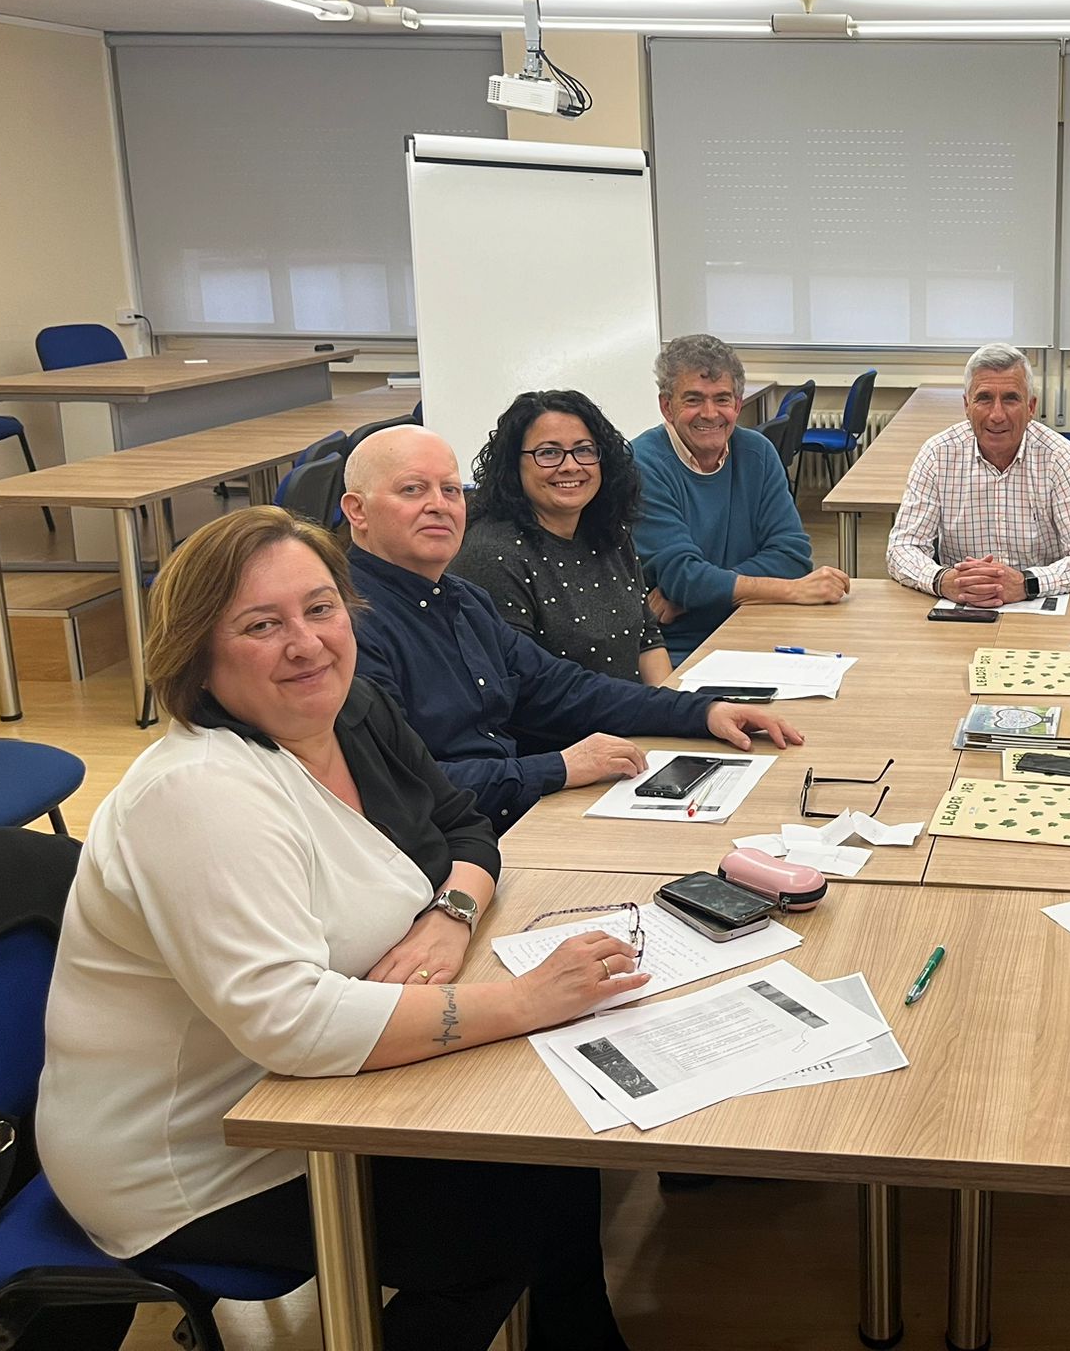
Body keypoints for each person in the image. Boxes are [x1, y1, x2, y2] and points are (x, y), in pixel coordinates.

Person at [37, 507, 642, 1350]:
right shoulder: (199, 793)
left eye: (321, 609)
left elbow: (464, 825)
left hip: (322, 1091)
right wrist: (529, 1002)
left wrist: (449, 914)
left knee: (554, 1163)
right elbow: (292, 1024)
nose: (308, 644)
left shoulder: (346, 712)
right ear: (197, 655)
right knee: (508, 1223)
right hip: (199, 1155)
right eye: (261, 624)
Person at [341, 425, 800, 834]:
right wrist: (558, 767)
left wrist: (703, 713)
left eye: (450, 490)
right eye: (412, 490)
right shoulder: (349, 626)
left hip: (513, 814)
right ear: (357, 511)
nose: (438, 506)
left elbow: (565, 689)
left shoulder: (462, 600)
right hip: (458, 844)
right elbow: (403, 784)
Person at [632, 334, 848, 662]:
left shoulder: (757, 452)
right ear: (666, 406)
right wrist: (791, 590)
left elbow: (793, 557)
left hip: (761, 626)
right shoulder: (641, 464)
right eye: (693, 400)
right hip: (677, 650)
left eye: (722, 399)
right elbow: (683, 576)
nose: (709, 413)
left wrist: (690, 596)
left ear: (737, 404)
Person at [456, 388, 670, 686]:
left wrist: (669, 711)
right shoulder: (493, 555)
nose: (570, 466)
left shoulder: (609, 531)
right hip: (564, 730)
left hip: (633, 719)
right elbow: (520, 684)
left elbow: (647, 638)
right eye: (548, 453)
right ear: (513, 465)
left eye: (584, 450)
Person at [886, 342, 1070, 604]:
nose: (997, 415)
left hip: (1037, 604)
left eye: (1010, 399)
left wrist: (1027, 583)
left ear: (1030, 408)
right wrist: (944, 580)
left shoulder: (1058, 456)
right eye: (984, 398)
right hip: (961, 605)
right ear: (966, 405)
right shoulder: (938, 454)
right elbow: (902, 548)